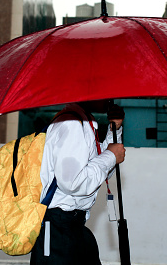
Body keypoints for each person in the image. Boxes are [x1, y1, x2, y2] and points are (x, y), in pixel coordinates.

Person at [30, 100, 126, 265]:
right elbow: (73, 183)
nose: (111, 98)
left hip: (73, 225)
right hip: (58, 230)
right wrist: (110, 156)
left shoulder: (84, 123)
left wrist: (113, 131)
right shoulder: (71, 125)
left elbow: (96, 173)